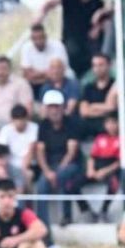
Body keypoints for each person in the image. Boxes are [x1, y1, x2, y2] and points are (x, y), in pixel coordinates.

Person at [35, 0, 104, 79]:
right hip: (70, 40)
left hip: (89, 41)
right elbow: (49, 3)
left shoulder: (97, 2)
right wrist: (40, 17)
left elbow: (103, 19)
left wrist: (97, 28)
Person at [33, 90, 85, 227]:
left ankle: (66, 216)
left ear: (62, 108)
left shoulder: (71, 123)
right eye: (50, 107)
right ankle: (42, 224)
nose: (54, 110)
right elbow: (40, 151)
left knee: (63, 176)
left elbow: (71, 151)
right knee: (41, 186)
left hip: (71, 164)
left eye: (56, 106)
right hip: (50, 165)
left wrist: (58, 172)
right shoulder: (43, 126)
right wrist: (47, 172)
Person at [86, 113, 122, 222]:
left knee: (114, 184)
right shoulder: (100, 138)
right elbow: (92, 157)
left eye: (114, 122)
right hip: (97, 166)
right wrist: (90, 170)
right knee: (70, 184)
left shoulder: (122, 139)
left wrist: (104, 171)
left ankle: (104, 210)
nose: (111, 126)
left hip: (111, 168)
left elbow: (119, 162)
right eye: (108, 123)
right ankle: (86, 210)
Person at [0, 56, 34, 128]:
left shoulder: (21, 84)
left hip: (13, 127)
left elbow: (28, 109)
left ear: (9, 69)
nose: (0, 72)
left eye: (3, 69)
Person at [20, 24, 69, 96]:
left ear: (45, 36)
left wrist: (37, 74)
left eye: (41, 38)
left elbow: (61, 71)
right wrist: (47, 73)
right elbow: (27, 75)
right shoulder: (26, 48)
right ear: (31, 39)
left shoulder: (57, 45)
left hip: (58, 81)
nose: (38, 41)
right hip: (35, 84)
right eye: (35, 38)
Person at [0, 104, 39, 182]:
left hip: (30, 165)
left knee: (28, 174)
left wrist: (24, 168)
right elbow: (0, 150)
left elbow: (31, 150)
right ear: (12, 119)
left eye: (21, 119)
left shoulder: (35, 128)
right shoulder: (6, 130)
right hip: (10, 165)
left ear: (27, 118)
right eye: (16, 119)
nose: (19, 122)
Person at [78, 53, 117, 140]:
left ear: (109, 65)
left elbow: (112, 108)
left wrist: (93, 106)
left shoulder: (115, 85)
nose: (97, 68)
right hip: (91, 125)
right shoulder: (88, 88)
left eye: (101, 65)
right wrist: (104, 108)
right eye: (95, 65)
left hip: (110, 125)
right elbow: (84, 111)